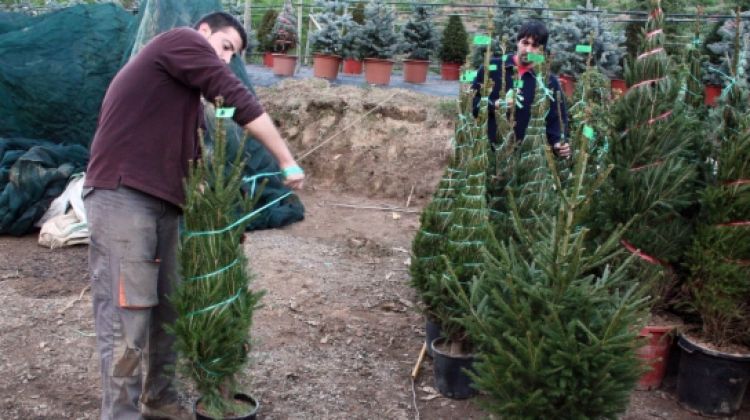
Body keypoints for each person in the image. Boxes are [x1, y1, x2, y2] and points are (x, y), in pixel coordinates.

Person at [83, 12, 304, 420]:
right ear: (204, 32)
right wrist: (286, 160)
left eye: (232, 55)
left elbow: (193, 162)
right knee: (126, 316)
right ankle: (120, 415)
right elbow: (236, 96)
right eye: (224, 46)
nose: (223, 60)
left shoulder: (180, 95)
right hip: (123, 194)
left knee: (169, 306)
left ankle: (159, 398)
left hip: (165, 203)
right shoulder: (180, 40)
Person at [472, 19, 570, 158]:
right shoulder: (492, 68)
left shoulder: (548, 81)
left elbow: (556, 118)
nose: (528, 49)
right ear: (517, 42)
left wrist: (557, 143)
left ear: (541, 50)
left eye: (535, 45)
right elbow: (472, 102)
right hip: (488, 153)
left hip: (528, 158)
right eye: (525, 43)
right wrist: (494, 105)